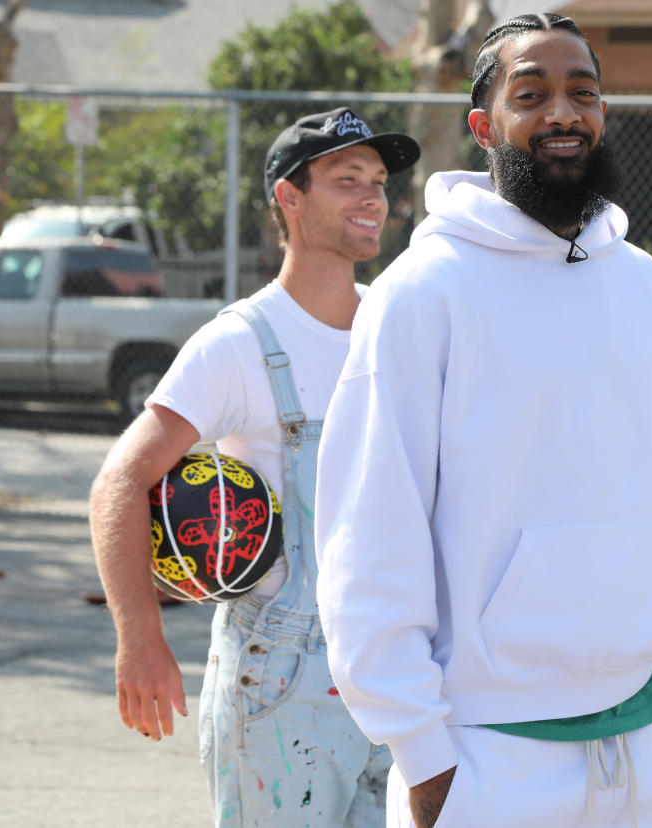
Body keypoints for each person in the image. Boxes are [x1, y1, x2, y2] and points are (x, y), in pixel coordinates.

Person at [313, 12, 652, 828]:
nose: (563, 114)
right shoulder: (422, 291)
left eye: (583, 93)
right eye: (531, 93)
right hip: (491, 762)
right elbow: (370, 536)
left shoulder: (646, 286)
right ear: (483, 125)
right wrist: (423, 758)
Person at [88, 106, 420, 827]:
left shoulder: (395, 326)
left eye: (377, 181)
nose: (372, 197)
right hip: (283, 682)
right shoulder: (239, 343)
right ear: (289, 199)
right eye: (346, 180)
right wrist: (139, 640)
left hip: (398, 668)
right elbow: (119, 482)